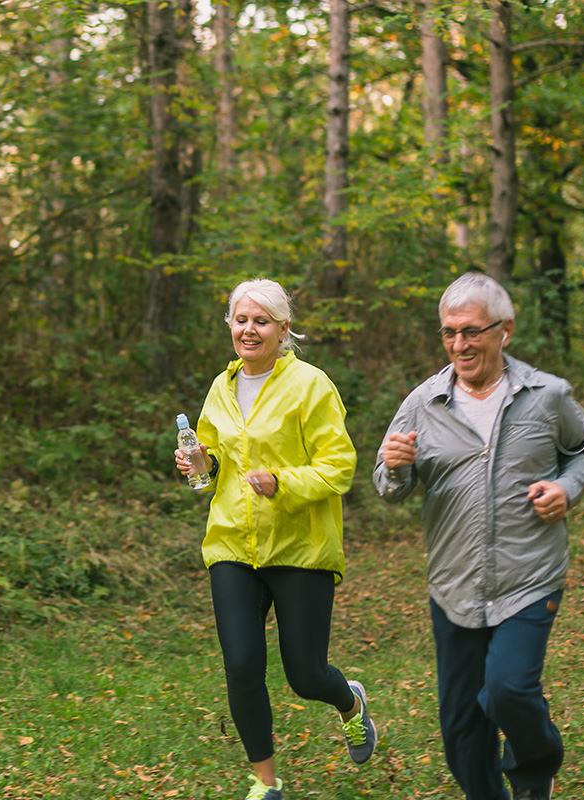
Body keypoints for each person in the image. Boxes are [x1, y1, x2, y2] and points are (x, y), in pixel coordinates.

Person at [373, 272, 584, 800]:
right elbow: (388, 487)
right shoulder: (423, 403)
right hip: (453, 584)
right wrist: (394, 466)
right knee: (460, 729)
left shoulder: (548, 396)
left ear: (505, 331)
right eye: (449, 332)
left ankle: (535, 768)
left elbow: (582, 450)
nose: (459, 344)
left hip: (530, 575)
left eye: (472, 331)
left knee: (508, 689)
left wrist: (566, 488)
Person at [175, 278, 376, 800]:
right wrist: (202, 463)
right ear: (230, 326)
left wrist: (281, 482)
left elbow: (339, 467)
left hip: (300, 549)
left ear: (283, 330)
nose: (249, 329)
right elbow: (213, 465)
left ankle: (349, 702)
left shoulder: (311, 385)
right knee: (242, 665)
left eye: (261, 321)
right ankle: (266, 784)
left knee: (306, 676)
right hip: (232, 547)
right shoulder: (220, 388)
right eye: (241, 320)